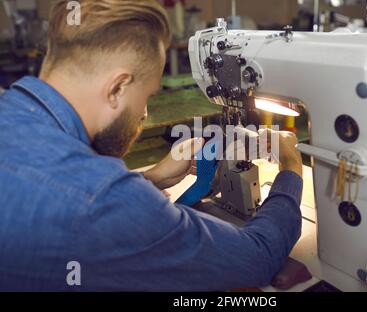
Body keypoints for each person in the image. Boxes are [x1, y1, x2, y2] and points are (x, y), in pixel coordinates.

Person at [0, 0, 303, 291]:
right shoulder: (104, 198)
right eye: (147, 95)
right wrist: (290, 166)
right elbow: (257, 256)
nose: (145, 112)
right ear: (118, 87)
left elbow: (60, 191)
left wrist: (150, 178)